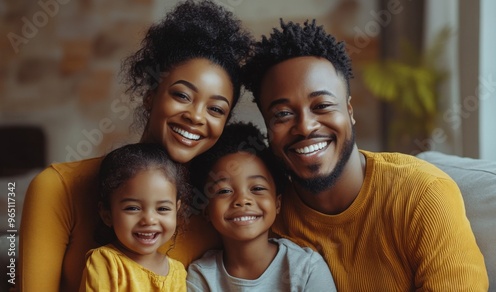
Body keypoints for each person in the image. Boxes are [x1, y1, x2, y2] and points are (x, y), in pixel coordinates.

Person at [19, 1, 252, 291]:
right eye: (181, 95)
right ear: (151, 96)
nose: (196, 116)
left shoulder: (214, 213)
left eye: (216, 110)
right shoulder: (58, 187)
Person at [241, 19, 489, 291]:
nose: (305, 126)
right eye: (283, 114)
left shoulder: (422, 195)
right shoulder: (259, 214)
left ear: (349, 111)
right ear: (268, 127)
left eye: (322, 105)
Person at [186, 122, 336, 291]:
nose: (242, 200)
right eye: (224, 191)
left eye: (257, 188)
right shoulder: (201, 276)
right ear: (206, 210)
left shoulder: (306, 268)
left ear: (277, 203)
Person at [80, 143, 189, 291]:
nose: (149, 220)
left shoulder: (178, 272)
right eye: (133, 208)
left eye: (162, 208)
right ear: (107, 215)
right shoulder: (106, 261)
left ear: (176, 210)